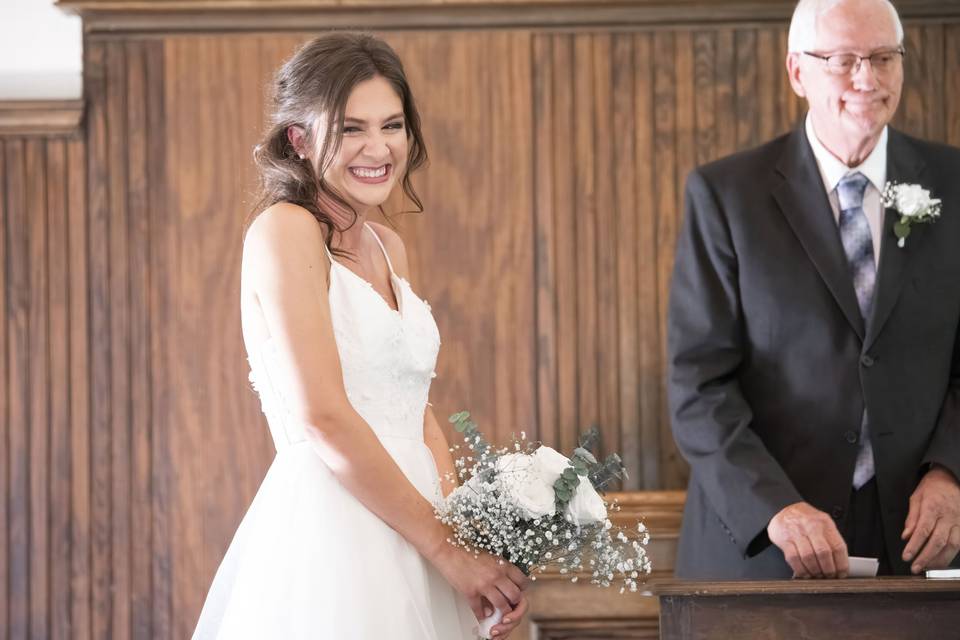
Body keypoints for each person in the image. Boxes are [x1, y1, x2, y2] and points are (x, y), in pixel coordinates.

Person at [192, 33, 529, 638]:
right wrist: (449, 554)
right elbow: (322, 415)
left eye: (392, 125)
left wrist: (467, 537)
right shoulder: (284, 231)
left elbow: (417, 411)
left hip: (420, 523)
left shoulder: (388, 246)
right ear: (298, 140)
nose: (378, 148)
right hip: (334, 530)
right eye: (350, 129)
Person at [668, 0, 960, 580]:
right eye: (842, 59)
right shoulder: (726, 196)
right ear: (798, 71)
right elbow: (698, 386)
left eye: (883, 58)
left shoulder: (953, 185)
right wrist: (775, 507)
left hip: (923, 546)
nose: (867, 79)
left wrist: (951, 471)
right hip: (766, 545)